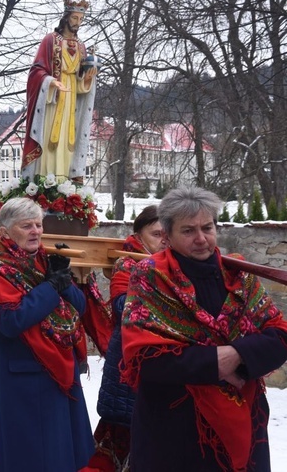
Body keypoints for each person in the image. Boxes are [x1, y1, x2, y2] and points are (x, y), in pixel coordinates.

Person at [121, 187, 287, 471]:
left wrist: (236, 356)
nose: (201, 239)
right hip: (176, 428)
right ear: (167, 236)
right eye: (188, 231)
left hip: (245, 418)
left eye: (207, 228)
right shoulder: (150, 277)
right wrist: (215, 363)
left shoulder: (239, 275)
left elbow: (279, 336)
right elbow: (145, 359)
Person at [0, 197, 93, 471]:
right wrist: (51, 287)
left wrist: (63, 279)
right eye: (27, 226)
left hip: (56, 374)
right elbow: (13, 320)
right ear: (4, 231)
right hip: (20, 380)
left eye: (38, 225)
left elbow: (80, 308)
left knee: (63, 453)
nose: (36, 231)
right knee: (31, 457)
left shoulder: (41, 262)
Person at [89, 205, 165, 471]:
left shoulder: (174, 263)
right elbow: (123, 307)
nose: (163, 240)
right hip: (129, 365)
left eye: (167, 233)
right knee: (123, 439)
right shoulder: (128, 262)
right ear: (139, 234)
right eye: (156, 233)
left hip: (161, 367)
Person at [22, 0, 97, 181]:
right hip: (52, 100)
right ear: (66, 18)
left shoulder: (81, 46)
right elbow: (36, 71)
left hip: (71, 100)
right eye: (74, 18)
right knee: (50, 139)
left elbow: (80, 82)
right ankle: (45, 181)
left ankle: (64, 180)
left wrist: (86, 80)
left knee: (67, 140)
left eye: (81, 19)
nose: (77, 23)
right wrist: (50, 82)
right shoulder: (50, 40)